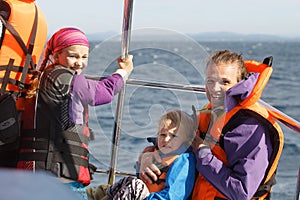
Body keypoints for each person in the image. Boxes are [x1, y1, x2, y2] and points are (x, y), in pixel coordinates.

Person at [139, 50, 284, 200]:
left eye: (225, 82)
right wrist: (147, 155)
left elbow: (241, 192)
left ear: (240, 82)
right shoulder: (210, 113)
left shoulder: (250, 129)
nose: (215, 88)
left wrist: (203, 153)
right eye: (210, 80)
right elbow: (174, 134)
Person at [17, 27, 134, 199]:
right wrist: (124, 72)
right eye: (73, 56)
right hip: (59, 177)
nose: (79, 62)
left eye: (84, 57)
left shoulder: (44, 76)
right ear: (56, 55)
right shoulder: (68, 79)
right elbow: (103, 92)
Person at [91, 109, 197, 200]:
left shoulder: (183, 160)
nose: (166, 139)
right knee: (127, 182)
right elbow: (143, 178)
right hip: (146, 195)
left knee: (134, 186)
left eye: (174, 136)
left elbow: (174, 195)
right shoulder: (155, 153)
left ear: (185, 140)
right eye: (163, 134)